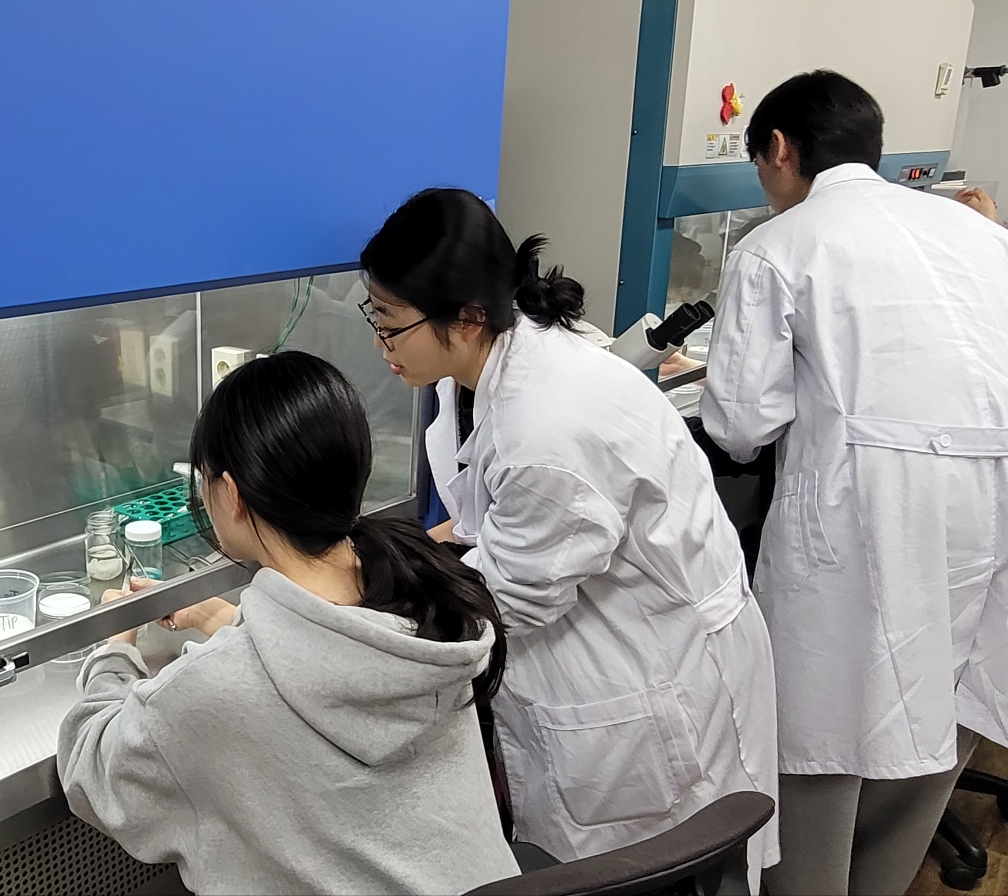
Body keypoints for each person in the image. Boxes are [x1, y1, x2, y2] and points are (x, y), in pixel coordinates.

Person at [358, 188, 780, 878]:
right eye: (375, 315)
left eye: (391, 323)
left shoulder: (546, 425)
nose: (381, 344)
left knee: (652, 872)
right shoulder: (493, 363)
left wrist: (362, 601)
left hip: (646, 677)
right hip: (612, 633)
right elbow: (491, 516)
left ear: (467, 317)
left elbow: (511, 597)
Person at [700, 69, 1008, 896]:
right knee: (943, 704)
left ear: (778, 148)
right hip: (989, 502)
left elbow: (740, 422)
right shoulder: (979, 233)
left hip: (870, 508)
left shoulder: (778, 245)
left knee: (825, 723)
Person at [57, 351, 519, 895]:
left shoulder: (212, 692)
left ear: (231, 495)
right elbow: (333, 656)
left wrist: (113, 647)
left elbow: (92, 772)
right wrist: (223, 618)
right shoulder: (428, 605)